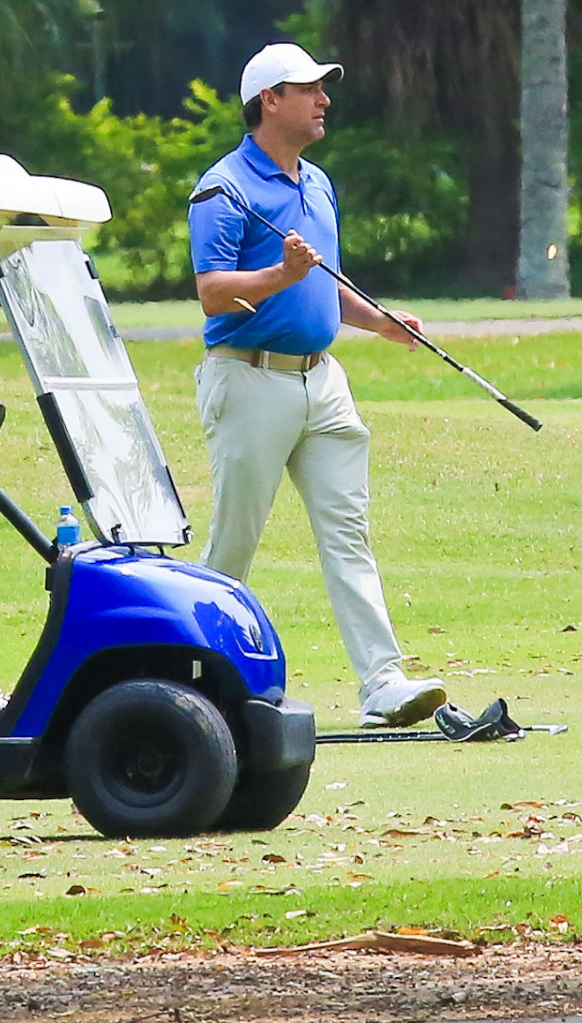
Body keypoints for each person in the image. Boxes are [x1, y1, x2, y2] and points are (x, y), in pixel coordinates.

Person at [189, 42, 444, 728]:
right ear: (270, 100)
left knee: (348, 532)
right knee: (233, 545)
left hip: (322, 382)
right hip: (249, 379)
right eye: (308, 88)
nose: (324, 98)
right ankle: (190, 675)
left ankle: (383, 683)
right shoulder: (223, 188)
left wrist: (380, 323)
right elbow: (212, 292)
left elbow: (328, 287)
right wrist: (278, 275)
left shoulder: (318, 183)